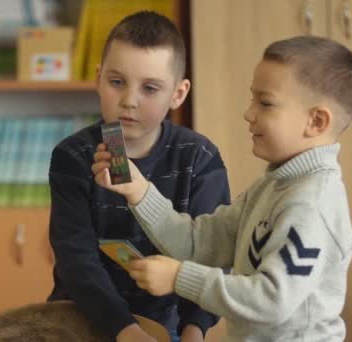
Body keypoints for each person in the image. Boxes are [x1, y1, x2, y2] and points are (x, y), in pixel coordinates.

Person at [93, 35, 352, 341]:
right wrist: (139, 191)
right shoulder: (272, 186)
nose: (249, 113)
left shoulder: (310, 206)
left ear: (316, 121)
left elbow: (271, 299)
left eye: (265, 103)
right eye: (253, 100)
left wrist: (179, 277)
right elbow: (198, 244)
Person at [48, 10, 230, 342]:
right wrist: (125, 331)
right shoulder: (72, 156)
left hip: (163, 328)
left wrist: (195, 330)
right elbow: (77, 261)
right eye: (117, 82)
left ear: (178, 94)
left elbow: (213, 256)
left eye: (150, 88)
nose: (129, 101)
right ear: (98, 78)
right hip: (79, 323)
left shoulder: (199, 158)